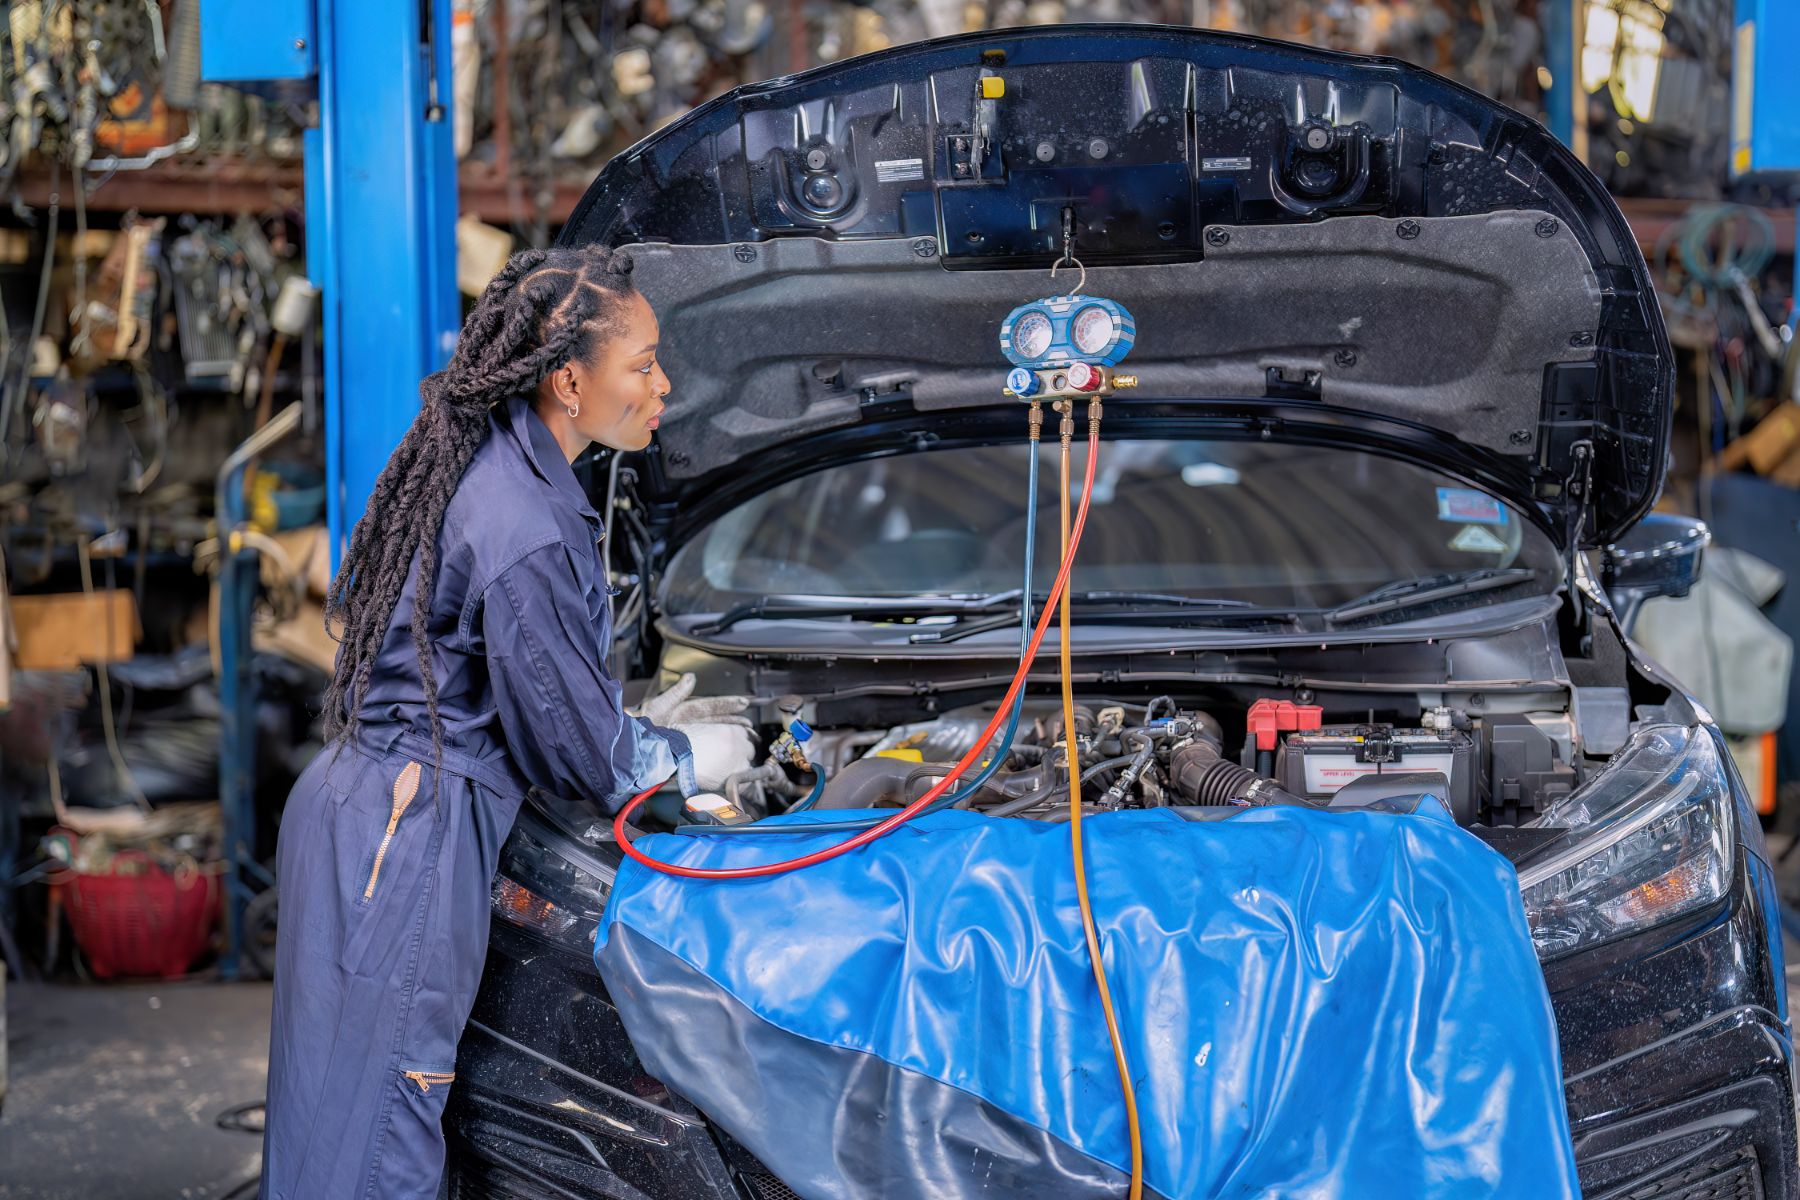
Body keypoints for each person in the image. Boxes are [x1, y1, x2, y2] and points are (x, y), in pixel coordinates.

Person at [260, 245, 755, 1198]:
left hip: (372, 806)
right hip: (406, 833)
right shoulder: (523, 519)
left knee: (338, 1120)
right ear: (570, 380)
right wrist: (695, 756)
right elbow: (579, 750)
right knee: (380, 1131)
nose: (666, 383)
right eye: (645, 362)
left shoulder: (499, 469)